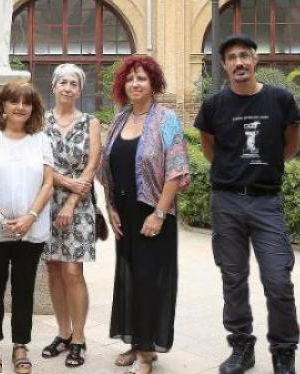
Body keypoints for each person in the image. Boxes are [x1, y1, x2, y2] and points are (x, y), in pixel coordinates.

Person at [194, 35, 300, 374]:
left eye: (244, 56)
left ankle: (284, 352)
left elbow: (291, 145)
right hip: (226, 202)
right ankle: (241, 346)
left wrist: (261, 171)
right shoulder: (214, 106)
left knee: (278, 280)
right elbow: (210, 149)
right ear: (223, 66)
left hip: (266, 201)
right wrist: (234, 173)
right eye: (231, 58)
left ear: (255, 62)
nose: (239, 63)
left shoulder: (280, 100)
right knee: (233, 278)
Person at [98, 55, 189, 374]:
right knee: (131, 279)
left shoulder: (166, 119)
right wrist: (110, 208)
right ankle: (137, 342)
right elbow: (107, 170)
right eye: (130, 78)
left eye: (142, 78)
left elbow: (177, 170)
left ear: (153, 84)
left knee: (151, 281)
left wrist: (160, 213)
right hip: (124, 214)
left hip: (153, 214)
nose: (135, 84)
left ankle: (148, 352)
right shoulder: (120, 120)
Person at [0, 80, 55, 374]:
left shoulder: (40, 140)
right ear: (3, 105)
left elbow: (48, 183)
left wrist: (30, 216)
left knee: (24, 288)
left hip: (30, 230)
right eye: (14, 101)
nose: (20, 107)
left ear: (33, 109)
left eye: (26, 103)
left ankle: (21, 344)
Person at [41, 64, 102, 368]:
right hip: (45, 201)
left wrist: (70, 202)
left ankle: (79, 338)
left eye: (73, 84)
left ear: (80, 90)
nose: (67, 87)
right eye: (62, 82)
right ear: (53, 87)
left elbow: (92, 166)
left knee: (73, 272)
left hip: (79, 204)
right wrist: (63, 183)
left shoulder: (90, 122)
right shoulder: (41, 121)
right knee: (53, 269)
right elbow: (39, 164)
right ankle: (62, 333)